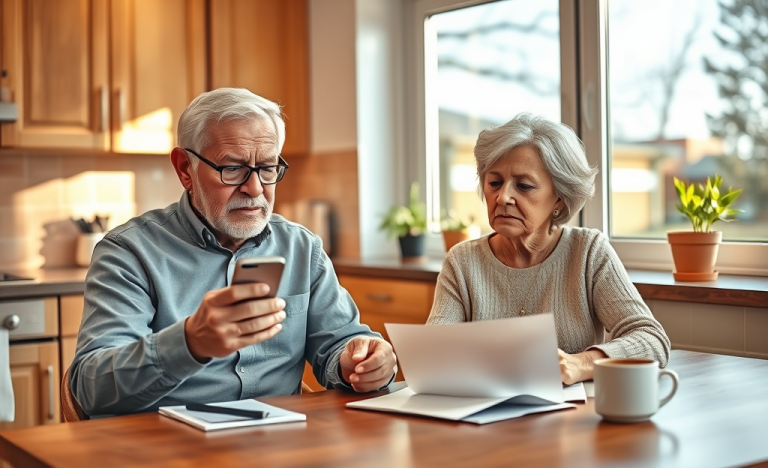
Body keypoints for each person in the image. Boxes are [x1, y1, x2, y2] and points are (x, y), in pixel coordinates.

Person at [70, 88, 397, 416]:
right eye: (231, 168)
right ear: (185, 169)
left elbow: (340, 344)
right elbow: (91, 388)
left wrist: (363, 360)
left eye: (267, 168)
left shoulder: (302, 248)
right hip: (166, 441)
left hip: (281, 438)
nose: (254, 188)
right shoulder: (129, 252)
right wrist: (189, 343)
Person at [426, 113, 670, 385]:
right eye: (494, 183)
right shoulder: (462, 261)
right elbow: (432, 354)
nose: (503, 197)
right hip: (485, 409)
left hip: (574, 410)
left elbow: (652, 339)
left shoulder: (588, 251)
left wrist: (580, 363)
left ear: (559, 199)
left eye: (524, 186)